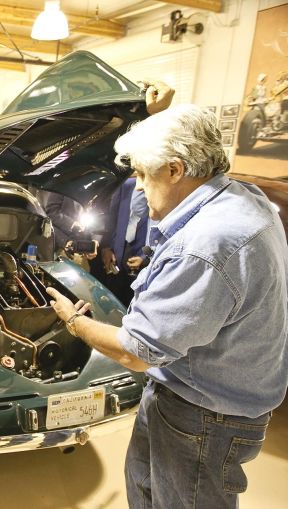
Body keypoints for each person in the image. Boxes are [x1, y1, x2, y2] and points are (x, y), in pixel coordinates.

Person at [47, 104, 288, 509]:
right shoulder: (244, 199)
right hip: (205, 396)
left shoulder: (206, 244)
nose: (137, 187)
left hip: (204, 417)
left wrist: (73, 321)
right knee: (146, 491)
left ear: (175, 170)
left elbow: (135, 351)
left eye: (142, 174)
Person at [99, 177, 150, 307]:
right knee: (114, 302)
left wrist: (145, 258)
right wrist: (106, 247)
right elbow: (112, 217)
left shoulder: (162, 186)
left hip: (144, 255)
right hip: (119, 253)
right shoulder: (126, 185)